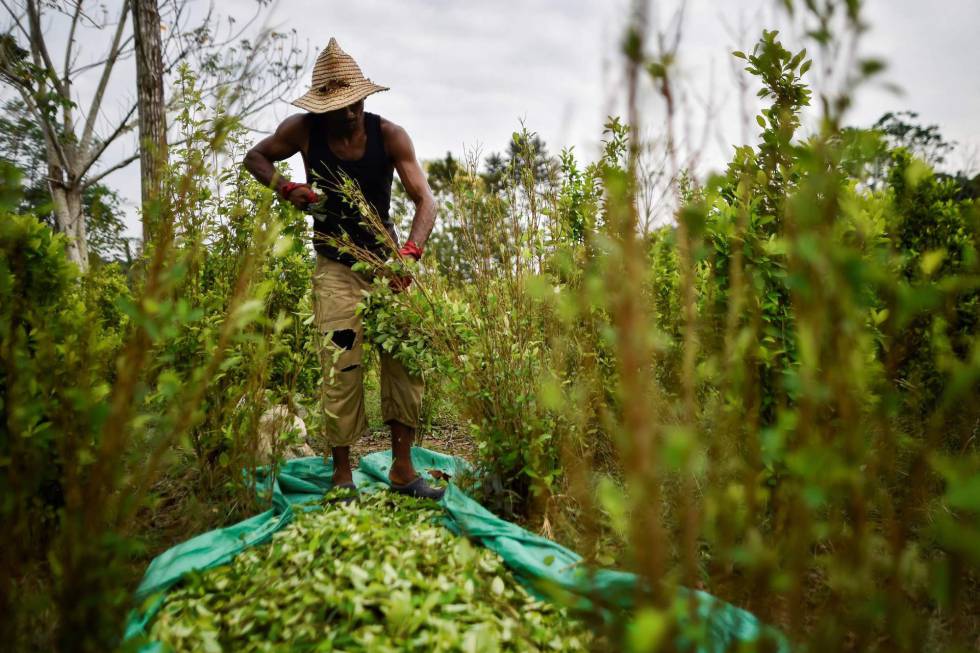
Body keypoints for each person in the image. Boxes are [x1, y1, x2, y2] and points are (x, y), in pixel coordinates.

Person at [243, 38, 443, 499]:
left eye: (354, 104)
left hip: (386, 265)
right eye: (338, 107)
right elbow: (255, 157)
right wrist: (286, 186)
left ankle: (402, 469)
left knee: (405, 359)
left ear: (363, 98)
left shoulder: (390, 135)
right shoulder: (303, 131)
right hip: (335, 266)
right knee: (341, 364)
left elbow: (425, 201)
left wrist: (409, 254)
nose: (349, 114)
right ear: (321, 108)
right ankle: (342, 476)